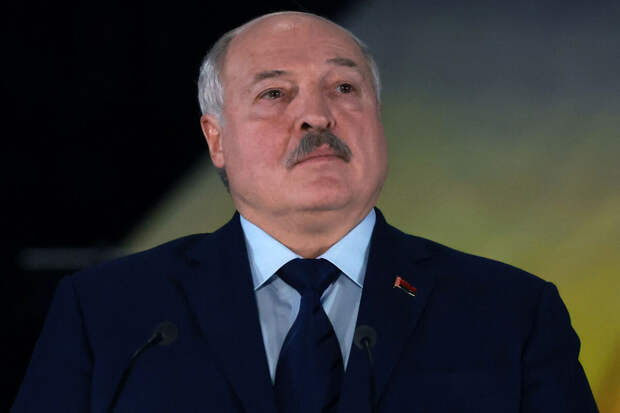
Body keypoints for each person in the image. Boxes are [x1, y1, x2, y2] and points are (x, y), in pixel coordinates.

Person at [12, 11, 598, 413]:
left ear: (377, 119)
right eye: (274, 93)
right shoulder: (108, 312)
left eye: (344, 88)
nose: (317, 116)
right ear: (217, 140)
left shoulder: (512, 312)